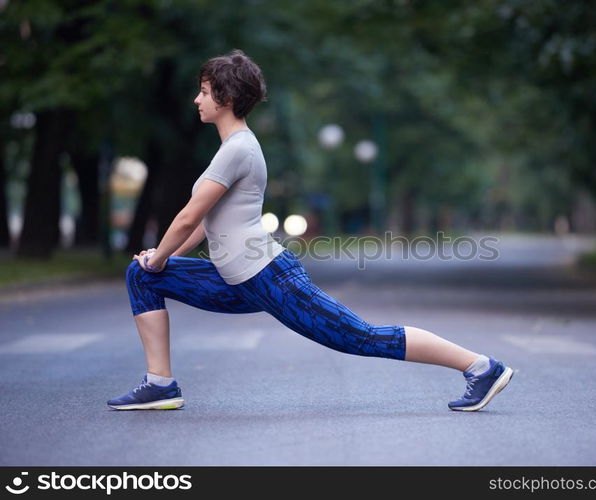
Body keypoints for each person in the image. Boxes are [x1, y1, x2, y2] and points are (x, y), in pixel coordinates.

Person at [108, 49, 514, 412]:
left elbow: (184, 218)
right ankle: (160, 384)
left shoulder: (238, 150)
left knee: (363, 338)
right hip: (237, 279)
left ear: (226, 99)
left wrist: (159, 256)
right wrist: (160, 264)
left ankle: (481, 367)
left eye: (204, 91)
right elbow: (201, 223)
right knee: (141, 276)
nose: (196, 99)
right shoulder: (230, 149)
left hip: (269, 277)